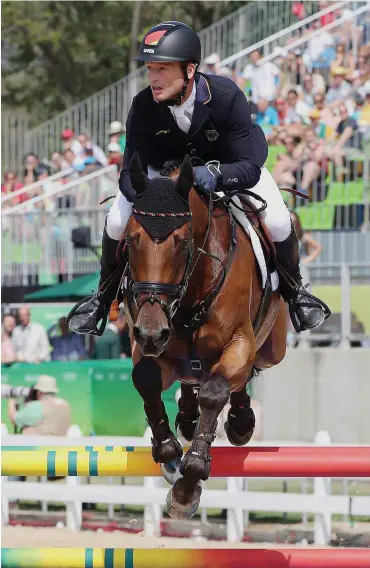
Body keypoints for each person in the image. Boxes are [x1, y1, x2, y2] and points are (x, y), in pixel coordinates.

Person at [67, 21, 329, 336]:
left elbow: (250, 165)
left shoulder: (225, 96)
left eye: (162, 69)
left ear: (190, 70)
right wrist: (154, 195)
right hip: (162, 178)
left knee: (278, 220)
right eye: (150, 68)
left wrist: (216, 173)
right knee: (115, 220)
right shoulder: (142, 106)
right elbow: (127, 174)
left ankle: (295, 292)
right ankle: (102, 298)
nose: (153, 77)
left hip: (231, 169)